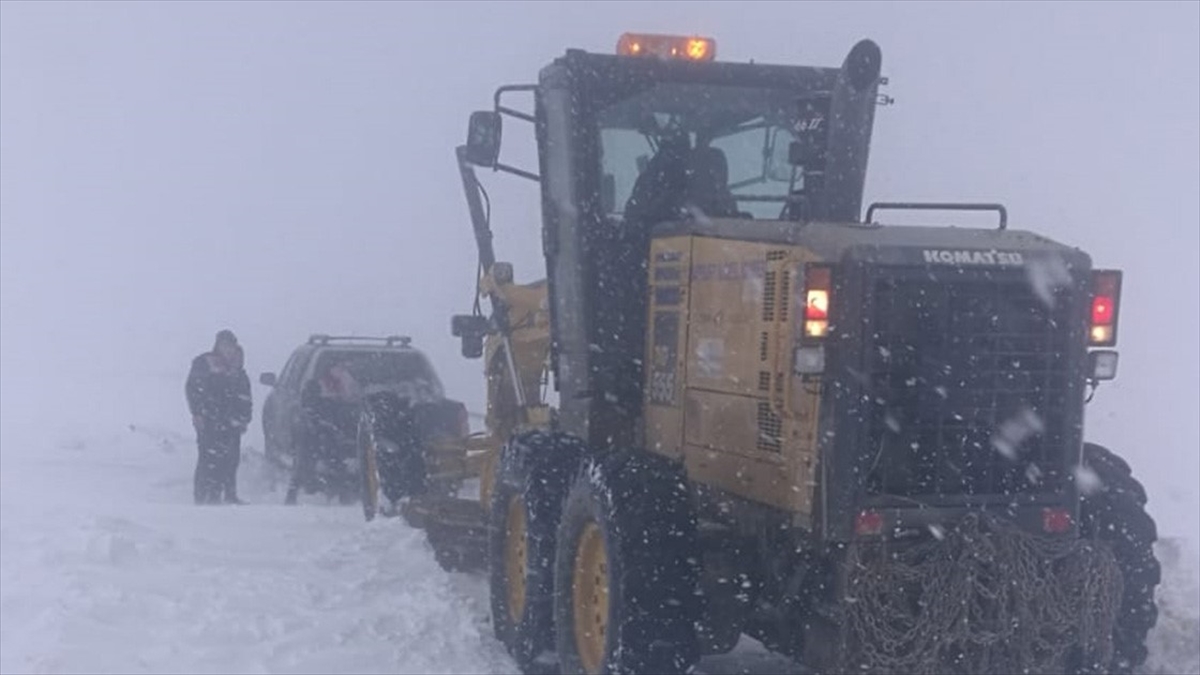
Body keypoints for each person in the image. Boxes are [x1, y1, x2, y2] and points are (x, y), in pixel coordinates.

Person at [186, 330, 253, 505]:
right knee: (208, 458)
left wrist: (244, 418)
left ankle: (229, 494)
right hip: (210, 419)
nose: (228, 350)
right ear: (217, 345)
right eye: (224, 345)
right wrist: (197, 412)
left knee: (231, 459)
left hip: (232, 422)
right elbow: (193, 388)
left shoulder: (237, 369)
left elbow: (245, 395)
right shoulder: (204, 363)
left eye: (231, 346)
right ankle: (203, 496)